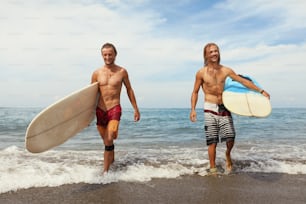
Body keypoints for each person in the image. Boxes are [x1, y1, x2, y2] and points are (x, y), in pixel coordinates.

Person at [190, 42, 270, 174]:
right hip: (209, 107)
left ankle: (227, 154)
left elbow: (243, 81)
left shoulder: (226, 71)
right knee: (212, 140)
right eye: (211, 52)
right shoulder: (201, 73)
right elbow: (195, 92)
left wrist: (261, 91)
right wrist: (193, 109)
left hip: (224, 106)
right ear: (206, 55)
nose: (214, 53)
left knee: (231, 137)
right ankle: (213, 168)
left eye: (216, 51)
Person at [91, 42, 140, 173]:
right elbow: (90, 94)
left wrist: (136, 109)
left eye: (110, 54)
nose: (107, 57)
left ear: (115, 55)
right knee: (107, 142)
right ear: (102, 55)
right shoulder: (96, 73)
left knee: (109, 138)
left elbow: (129, 89)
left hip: (114, 109)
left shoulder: (122, 72)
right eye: (105, 55)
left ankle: (105, 173)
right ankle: (112, 163)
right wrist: (86, 115)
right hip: (100, 110)